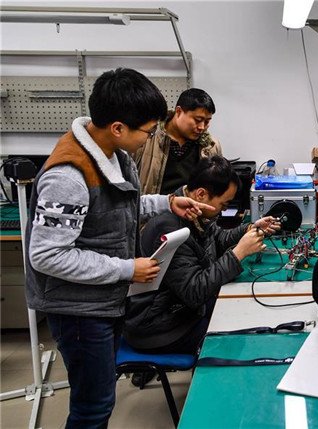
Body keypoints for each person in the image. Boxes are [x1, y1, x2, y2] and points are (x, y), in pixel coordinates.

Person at [24, 68, 214, 429]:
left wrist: (167, 203)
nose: (150, 138)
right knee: (92, 408)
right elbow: (47, 256)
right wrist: (127, 269)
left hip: (104, 301)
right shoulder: (68, 176)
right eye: (148, 131)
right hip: (78, 311)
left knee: (100, 401)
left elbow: (118, 208)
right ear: (117, 127)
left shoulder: (113, 154)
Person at [124, 156, 280, 360]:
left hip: (182, 312)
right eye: (223, 204)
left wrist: (250, 229)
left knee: (244, 313)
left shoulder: (195, 210)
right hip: (158, 327)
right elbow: (194, 291)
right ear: (201, 194)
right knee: (238, 340)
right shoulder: (170, 227)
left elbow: (218, 238)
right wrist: (239, 253)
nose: (224, 210)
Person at [135, 88, 222, 195]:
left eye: (207, 122)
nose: (202, 127)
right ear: (179, 111)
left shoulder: (211, 146)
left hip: (194, 206)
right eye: (198, 120)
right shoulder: (146, 139)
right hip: (153, 205)